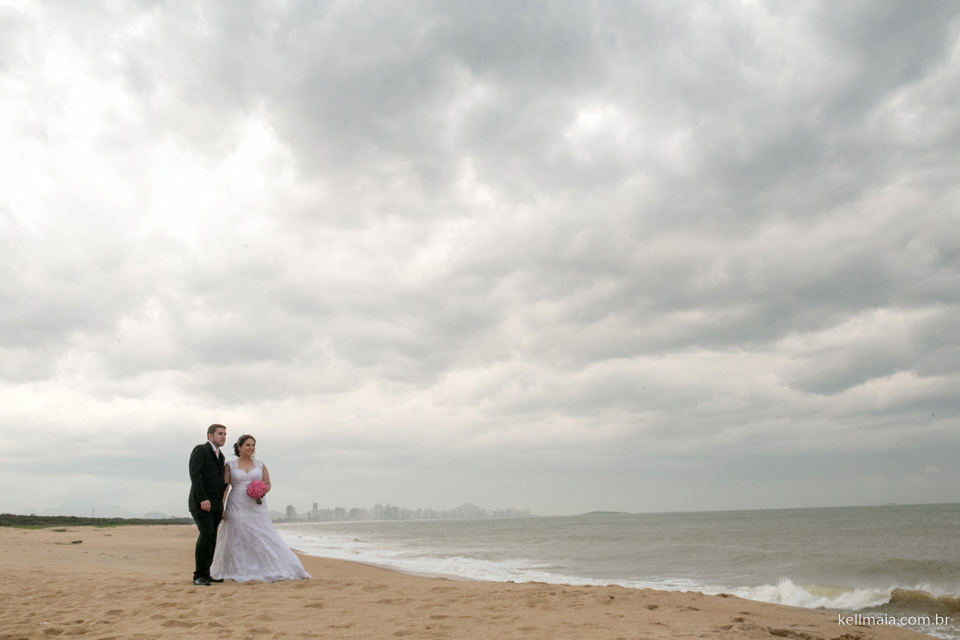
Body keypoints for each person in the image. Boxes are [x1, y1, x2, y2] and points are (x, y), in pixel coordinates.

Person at [210, 434, 311, 582]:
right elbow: (225, 487)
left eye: (253, 445)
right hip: (237, 503)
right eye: (247, 445)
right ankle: (238, 568)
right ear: (239, 447)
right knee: (237, 534)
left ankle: (272, 566)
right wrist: (221, 506)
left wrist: (261, 490)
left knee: (263, 534)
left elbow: (268, 484)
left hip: (256, 504)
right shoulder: (230, 465)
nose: (251, 448)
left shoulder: (260, 464)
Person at [188, 423, 228, 586]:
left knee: (212, 538)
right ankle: (199, 575)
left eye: (225, 434)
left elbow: (220, 482)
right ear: (210, 436)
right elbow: (195, 475)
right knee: (206, 535)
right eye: (220, 434)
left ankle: (207, 573)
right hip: (201, 503)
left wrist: (220, 504)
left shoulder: (221, 456)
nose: (223, 436)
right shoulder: (200, 450)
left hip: (215, 506)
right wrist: (203, 498)